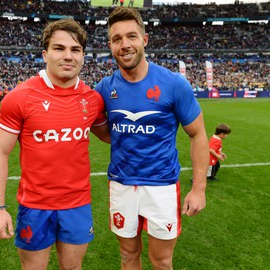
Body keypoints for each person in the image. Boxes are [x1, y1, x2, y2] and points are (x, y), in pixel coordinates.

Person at [0, 18, 109, 270]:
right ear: (45, 54)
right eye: (59, 48)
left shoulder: (92, 99)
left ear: (84, 56)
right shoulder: (20, 97)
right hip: (35, 206)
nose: (68, 56)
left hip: (77, 204)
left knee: (73, 268)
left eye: (75, 50)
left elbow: (111, 135)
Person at [95, 7, 209, 270]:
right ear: (110, 45)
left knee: (162, 261)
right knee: (127, 257)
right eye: (117, 39)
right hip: (121, 185)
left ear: (144, 40)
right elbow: (98, 127)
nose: (125, 45)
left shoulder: (173, 84)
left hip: (162, 187)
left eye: (131, 36)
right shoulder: (104, 89)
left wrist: (199, 189)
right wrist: (122, 137)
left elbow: (198, 134)